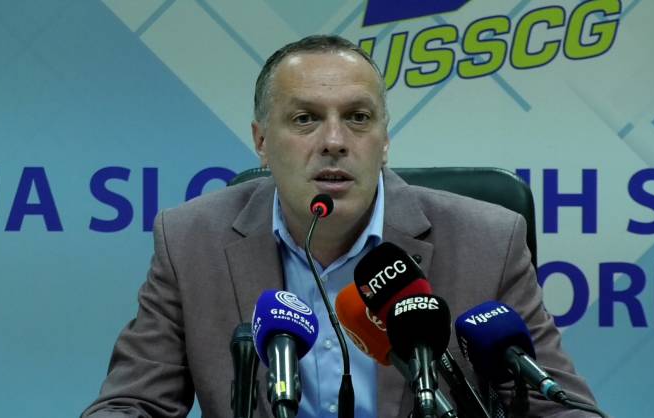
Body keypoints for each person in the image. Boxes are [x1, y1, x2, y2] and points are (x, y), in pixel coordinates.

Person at [82, 35, 599, 418]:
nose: (334, 141)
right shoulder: (191, 241)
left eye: (357, 117)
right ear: (261, 142)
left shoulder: (488, 241)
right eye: (305, 119)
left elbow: (559, 408)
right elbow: (131, 402)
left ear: (384, 140)